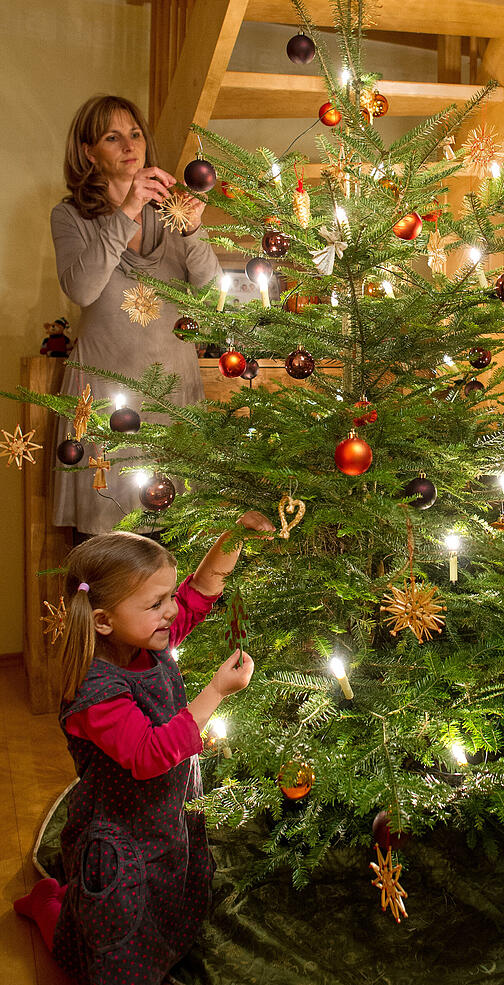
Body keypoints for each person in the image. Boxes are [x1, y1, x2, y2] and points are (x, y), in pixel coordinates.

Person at [13, 509, 274, 984]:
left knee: (163, 905)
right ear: (104, 620)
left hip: (163, 817)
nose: (172, 611)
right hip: (121, 836)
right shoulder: (97, 692)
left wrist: (235, 535)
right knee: (99, 954)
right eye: (157, 604)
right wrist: (214, 692)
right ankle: (47, 904)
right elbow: (150, 754)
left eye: (167, 597)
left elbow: (200, 592)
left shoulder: (148, 640)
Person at [51, 94, 220, 535]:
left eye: (135, 134)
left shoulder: (172, 211)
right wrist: (127, 210)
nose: (130, 145)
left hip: (173, 396)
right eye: (113, 137)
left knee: (176, 547)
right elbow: (83, 290)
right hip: (107, 402)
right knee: (106, 553)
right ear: (89, 153)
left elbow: (210, 296)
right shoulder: (69, 216)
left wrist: (195, 231)